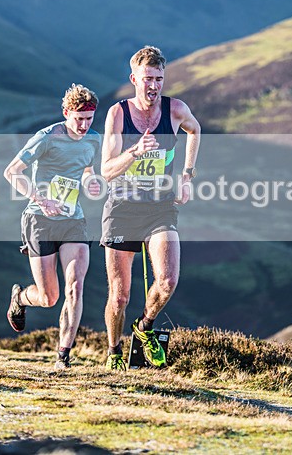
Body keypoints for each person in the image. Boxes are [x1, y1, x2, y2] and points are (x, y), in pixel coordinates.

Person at [100, 46, 201, 371]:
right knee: (119, 296)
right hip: (122, 210)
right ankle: (114, 351)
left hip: (160, 208)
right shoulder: (118, 114)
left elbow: (195, 130)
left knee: (168, 281)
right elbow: (106, 170)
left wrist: (186, 176)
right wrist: (134, 152)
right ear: (134, 79)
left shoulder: (176, 110)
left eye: (159, 78)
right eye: (147, 79)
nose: (154, 86)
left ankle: (144, 327)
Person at [4, 83, 101, 371]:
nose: (84, 125)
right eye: (79, 119)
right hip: (40, 219)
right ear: (66, 113)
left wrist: (91, 182)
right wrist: (41, 198)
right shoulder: (46, 138)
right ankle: (20, 297)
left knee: (75, 287)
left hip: (72, 219)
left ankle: (63, 357)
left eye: (89, 119)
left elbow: (87, 169)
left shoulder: (94, 139)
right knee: (49, 298)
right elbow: (12, 172)